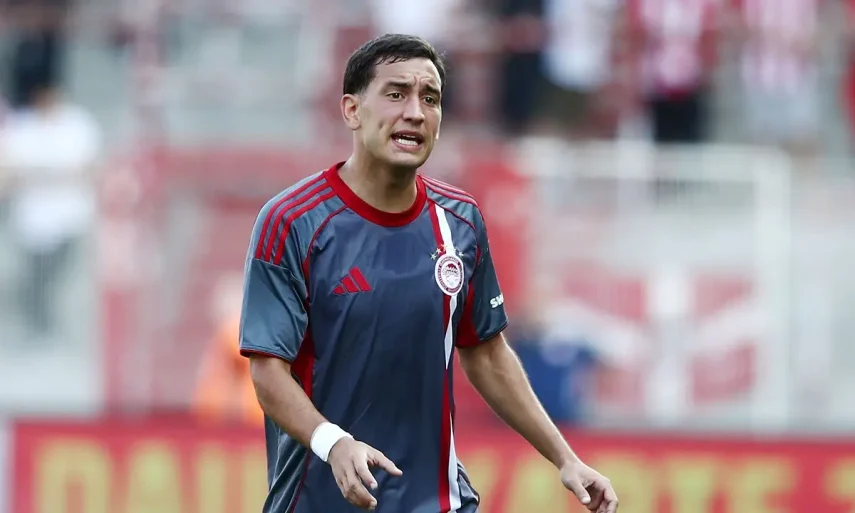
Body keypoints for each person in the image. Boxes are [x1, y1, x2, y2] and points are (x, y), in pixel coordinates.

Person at [239, 33, 619, 513]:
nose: (416, 112)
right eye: (397, 94)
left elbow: (486, 352)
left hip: (435, 501)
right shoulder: (292, 222)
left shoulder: (460, 221)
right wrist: (333, 443)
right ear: (352, 110)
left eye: (431, 98)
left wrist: (565, 458)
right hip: (318, 501)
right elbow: (267, 372)